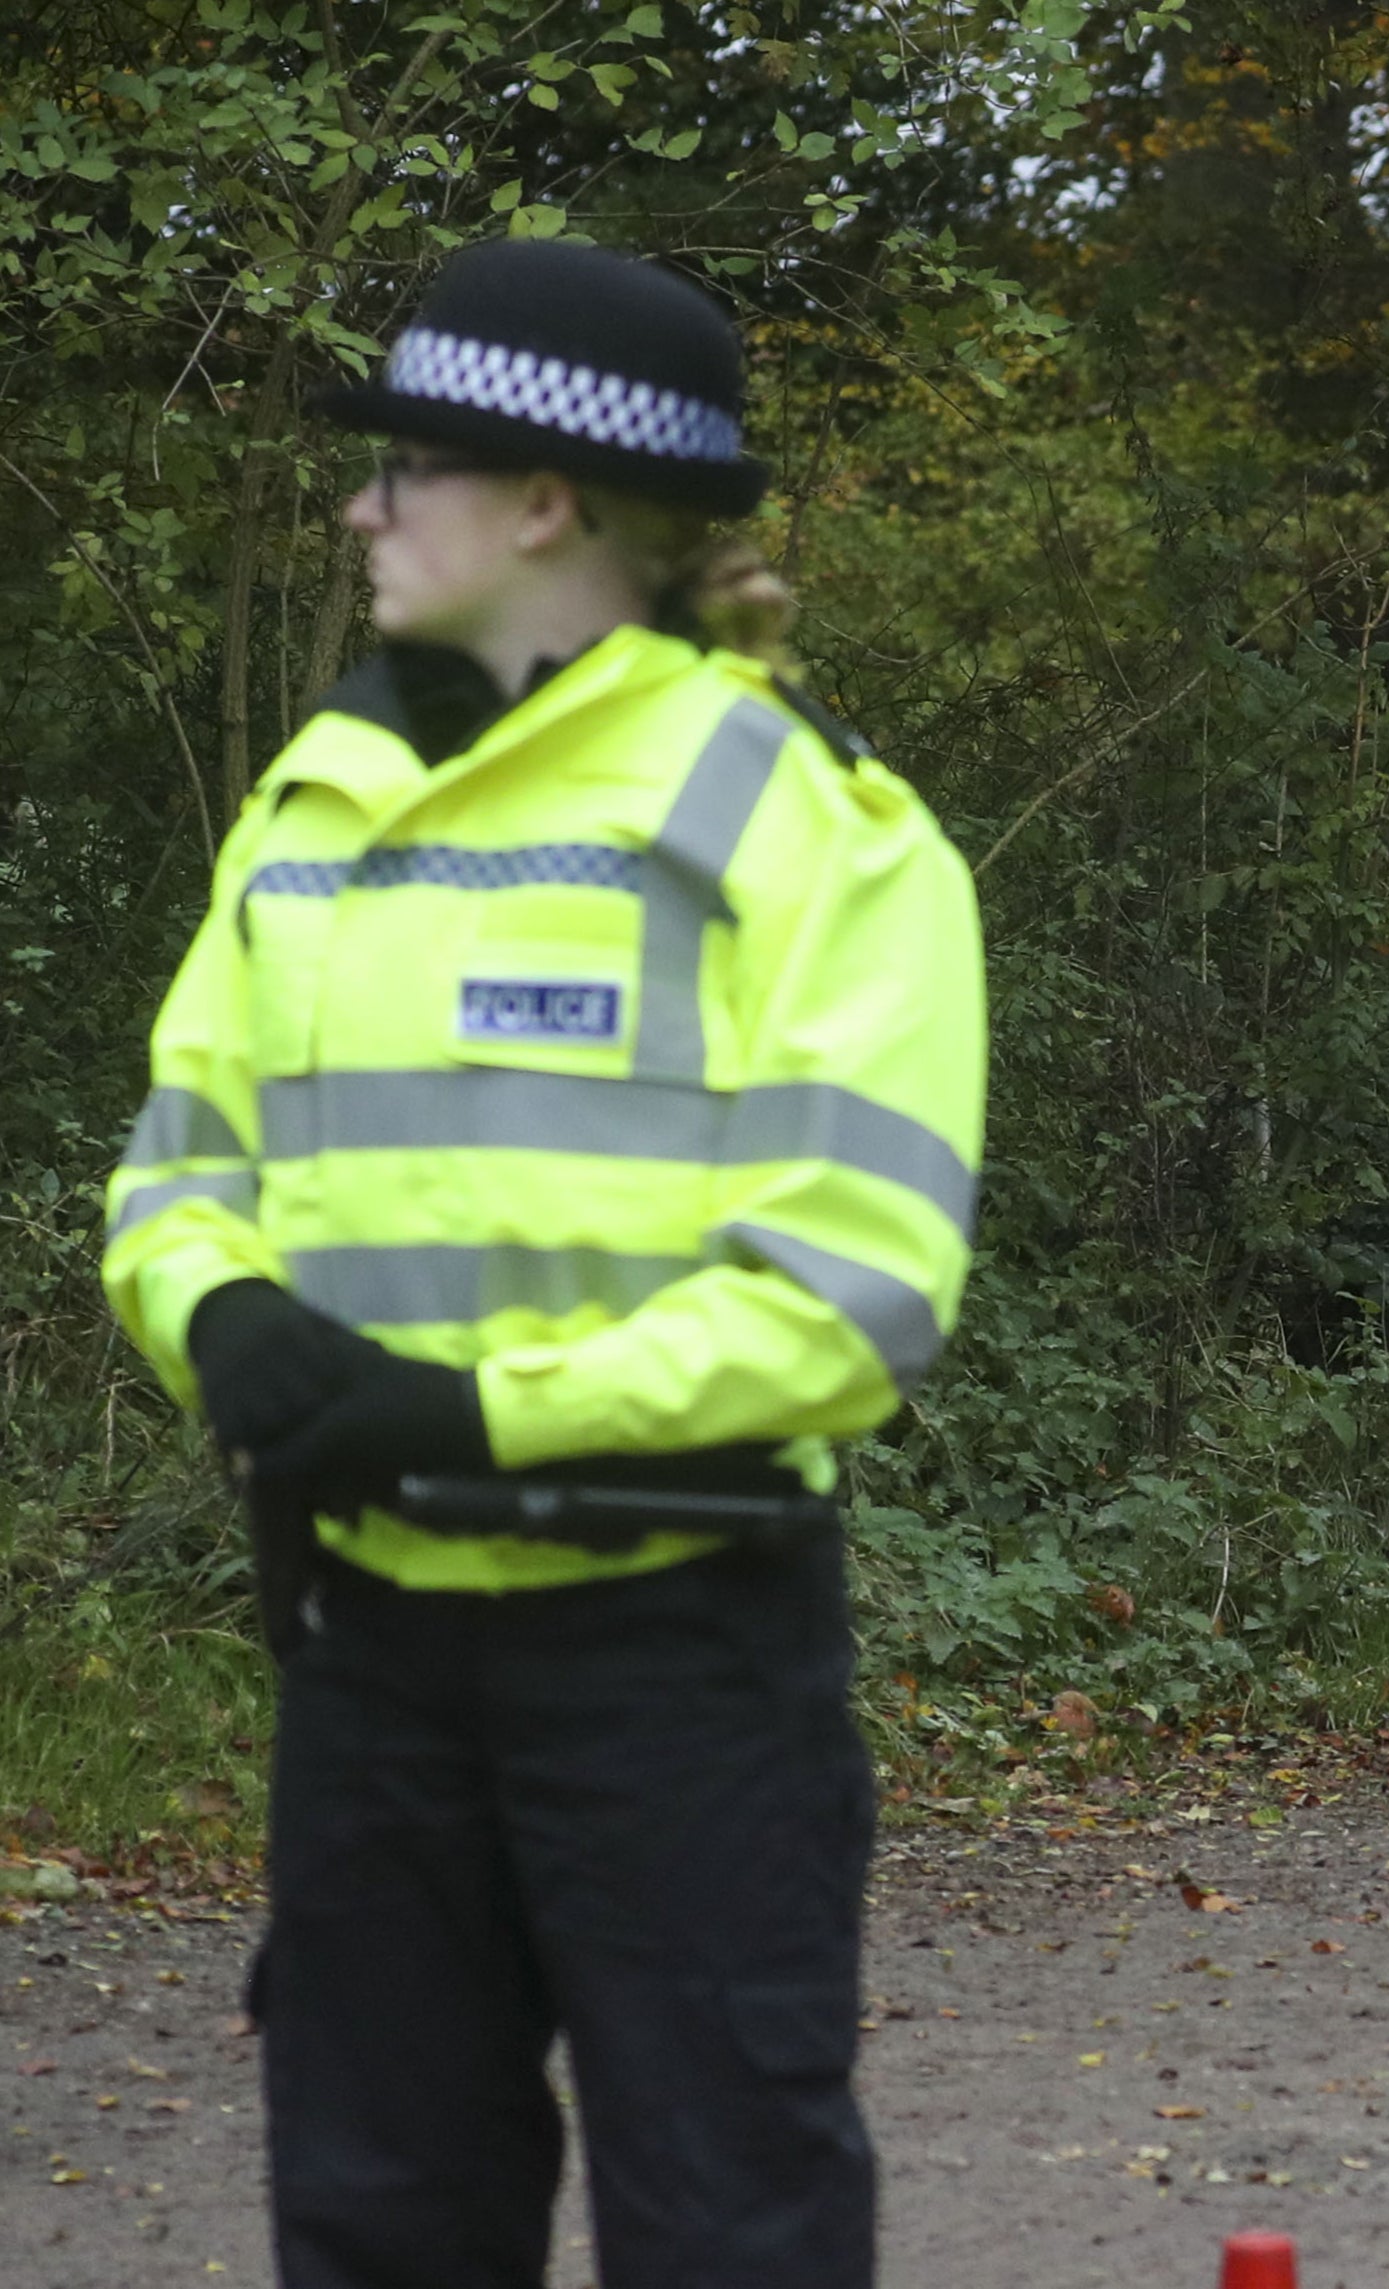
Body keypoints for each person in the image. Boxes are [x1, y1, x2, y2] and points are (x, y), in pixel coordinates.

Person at [100, 237, 986, 2288]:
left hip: (679, 1663)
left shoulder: (816, 828)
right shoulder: (312, 807)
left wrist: (476, 1413)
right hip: (369, 1661)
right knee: (376, 2216)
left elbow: (853, 1289)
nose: (356, 505)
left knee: (728, 2228)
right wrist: (216, 1317)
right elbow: (175, 1173)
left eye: (398, 464)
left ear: (546, 501)